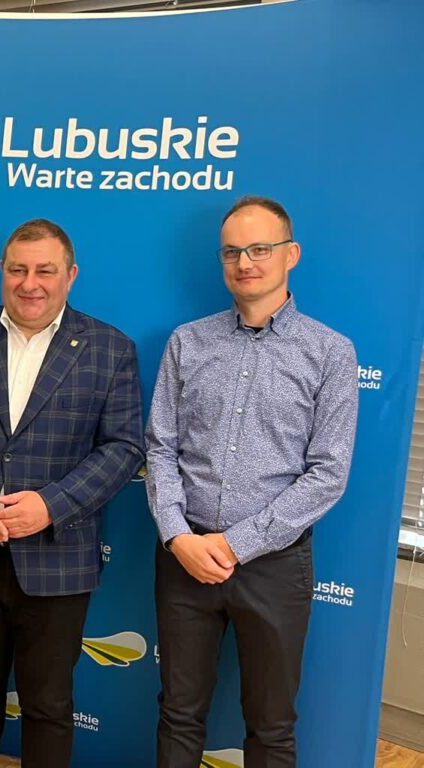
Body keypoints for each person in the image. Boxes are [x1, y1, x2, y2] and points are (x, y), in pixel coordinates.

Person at [0, 218, 144, 768]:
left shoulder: (110, 349)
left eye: (45, 271)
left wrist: (51, 505)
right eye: (18, 269)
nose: (29, 283)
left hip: (58, 559)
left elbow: (124, 447)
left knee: (49, 706)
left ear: (71, 275)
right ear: (2, 271)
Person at [145, 195, 358, 767]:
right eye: (232, 252)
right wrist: (178, 536)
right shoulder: (187, 342)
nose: (245, 262)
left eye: (260, 249)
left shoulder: (330, 353)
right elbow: (160, 448)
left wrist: (237, 544)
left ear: (291, 254)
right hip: (185, 558)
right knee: (178, 713)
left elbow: (328, 473)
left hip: (275, 566)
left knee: (271, 725)